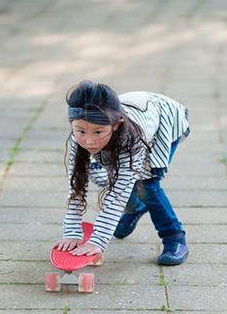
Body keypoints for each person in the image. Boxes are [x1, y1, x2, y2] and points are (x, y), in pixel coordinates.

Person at [54, 80, 191, 265]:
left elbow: (118, 193)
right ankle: (135, 208)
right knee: (104, 176)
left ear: (116, 125)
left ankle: (174, 237)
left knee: (146, 186)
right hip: (127, 125)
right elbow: (76, 187)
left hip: (164, 121)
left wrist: (97, 241)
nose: (89, 141)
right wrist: (71, 232)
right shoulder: (76, 140)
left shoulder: (132, 139)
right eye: (80, 131)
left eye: (97, 132)